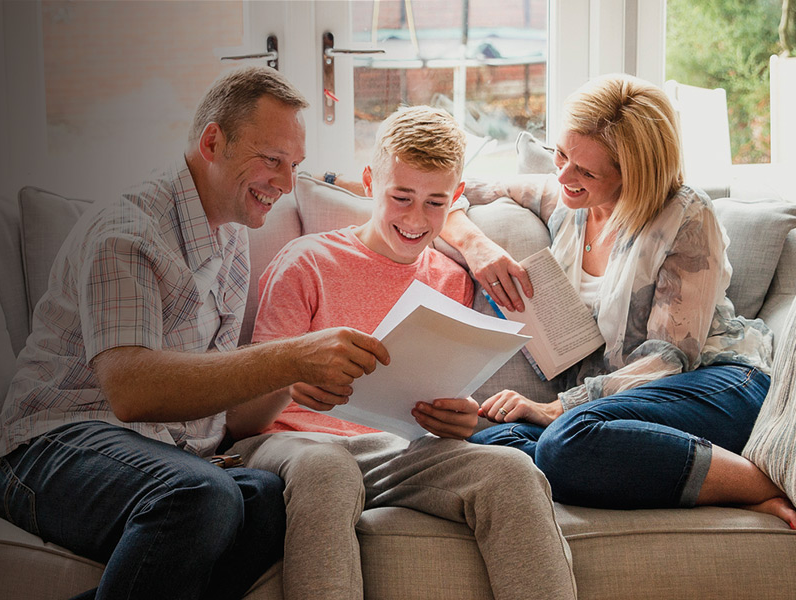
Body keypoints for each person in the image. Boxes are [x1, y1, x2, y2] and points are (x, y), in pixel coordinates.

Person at [0, 66, 393, 600]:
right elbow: (132, 391)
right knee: (202, 496)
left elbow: (230, 419)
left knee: (270, 501)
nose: (287, 183)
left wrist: (294, 379)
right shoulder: (128, 231)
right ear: (213, 141)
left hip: (157, 455)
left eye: (294, 166)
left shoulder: (230, 236)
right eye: (272, 160)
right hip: (46, 448)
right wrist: (290, 357)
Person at [225, 106, 577, 600]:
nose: (415, 219)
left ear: (455, 198)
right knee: (329, 471)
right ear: (370, 183)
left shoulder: (450, 280)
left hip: (395, 453)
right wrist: (290, 377)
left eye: (435, 203)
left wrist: (457, 420)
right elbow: (242, 422)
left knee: (513, 471)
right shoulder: (308, 261)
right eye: (400, 197)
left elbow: (430, 407)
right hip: (293, 448)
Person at [439, 73, 796, 527]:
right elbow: (454, 192)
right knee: (496, 443)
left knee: (566, 438)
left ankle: (757, 485)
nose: (564, 175)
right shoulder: (567, 200)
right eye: (561, 155)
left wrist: (555, 408)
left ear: (634, 175)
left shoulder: (687, 216)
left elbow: (667, 360)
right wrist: (477, 247)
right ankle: (699, 485)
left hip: (718, 384)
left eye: (586, 171)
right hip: (619, 411)